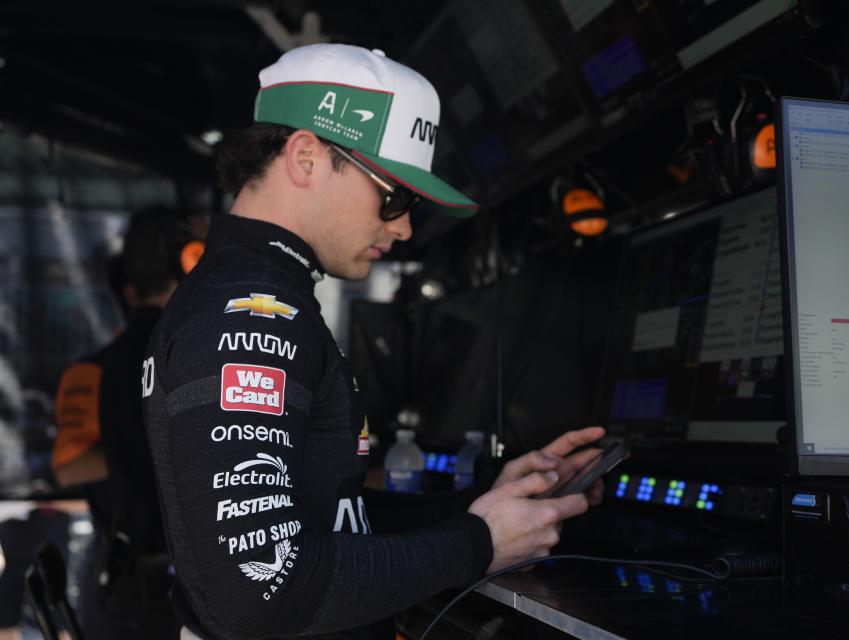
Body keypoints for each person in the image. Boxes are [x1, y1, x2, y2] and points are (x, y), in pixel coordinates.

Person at [142, 43, 605, 640]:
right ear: (306, 156)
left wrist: (487, 501)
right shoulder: (251, 313)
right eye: (395, 196)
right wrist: (479, 543)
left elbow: (333, 519)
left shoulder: (253, 294)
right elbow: (258, 591)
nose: (405, 226)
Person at [52, 206, 204, 639]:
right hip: (146, 574)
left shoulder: (99, 367)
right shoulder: (95, 371)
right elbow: (68, 466)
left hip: (158, 580)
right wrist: (147, 447)